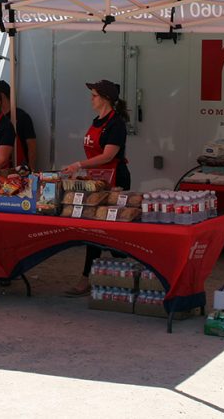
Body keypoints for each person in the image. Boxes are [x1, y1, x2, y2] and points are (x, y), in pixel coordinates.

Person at [61, 79, 130, 297]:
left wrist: (79, 165)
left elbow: (108, 155)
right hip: (97, 180)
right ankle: (87, 278)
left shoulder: (116, 123)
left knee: (111, 231)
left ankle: (124, 269)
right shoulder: (97, 121)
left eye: (94, 95)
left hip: (115, 180)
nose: (91, 99)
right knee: (95, 228)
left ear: (106, 99)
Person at [0, 79, 37, 169]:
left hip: (19, 170)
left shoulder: (22, 117)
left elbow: (32, 146)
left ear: (2, 96)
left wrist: (32, 170)